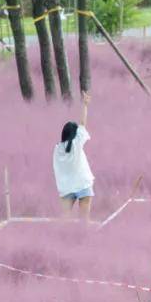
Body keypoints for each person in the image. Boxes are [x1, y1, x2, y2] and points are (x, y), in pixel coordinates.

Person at [53, 92, 94, 222]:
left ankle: (64, 240)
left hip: (66, 188)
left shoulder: (57, 149)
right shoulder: (77, 143)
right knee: (84, 220)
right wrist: (85, 105)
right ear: (75, 134)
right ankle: (83, 241)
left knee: (65, 219)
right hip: (83, 183)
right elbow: (83, 123)